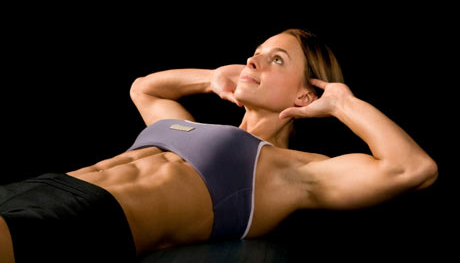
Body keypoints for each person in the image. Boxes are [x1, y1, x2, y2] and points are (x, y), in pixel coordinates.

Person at [0, 28, 438, 262]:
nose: (254, 60)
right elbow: (144, 89)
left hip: (87, 223)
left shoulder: (288, 170)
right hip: (46, 187)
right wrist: (211, 80)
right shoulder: (187, 128)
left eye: (276, 60)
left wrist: (343, 102)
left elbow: (411, 169)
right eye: (258, 51)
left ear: (305, 95)